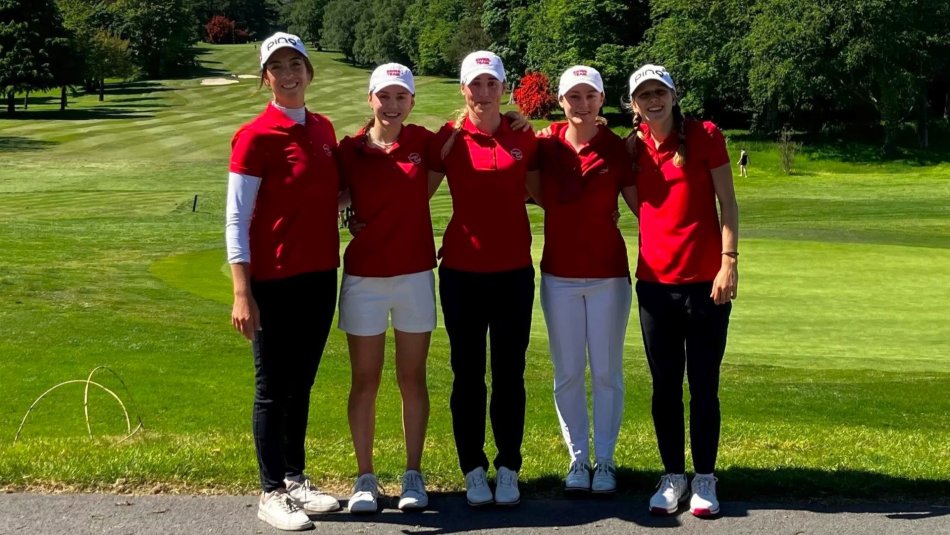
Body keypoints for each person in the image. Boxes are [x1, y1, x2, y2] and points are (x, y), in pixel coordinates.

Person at [225, 32, 342, 531]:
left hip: (320, 275)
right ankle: (270, 491)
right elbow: (236, 219)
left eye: (297, 63)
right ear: (265, 78)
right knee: (272, 388)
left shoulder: (323, 129)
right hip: (272, 281)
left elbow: (326, 198)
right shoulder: (254, 136)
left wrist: (350, 214)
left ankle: (294, 479)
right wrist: (241, 291)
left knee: (302, 383)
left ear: (309, 72)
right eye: (278, 67)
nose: (289, 73)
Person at [625, 64, 739, 518]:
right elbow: (641, 207)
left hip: (707, 284)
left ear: (673, 95)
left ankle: (705, 478)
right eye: (644, 95)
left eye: (660, 92)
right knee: (665, 387)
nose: (653, 100)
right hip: (655, 286)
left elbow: (727, 203)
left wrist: (728, 262)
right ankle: (673, 475)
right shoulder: (632, 148)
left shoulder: (706, 134)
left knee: (704, 386)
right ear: (633, 104)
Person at [428, 50, 539, 508]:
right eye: (476, 84)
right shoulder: (449, 140)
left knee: (510, 375)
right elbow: (409, 192)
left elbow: (545, 189)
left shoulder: (523, 136)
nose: (484, 92)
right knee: (468, 375)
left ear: (503, 88)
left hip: (514, 272)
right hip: (461, 274)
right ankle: (473, 468)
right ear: (463, 90)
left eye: (492, 83)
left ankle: (508, 466)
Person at [528, 66, 636, 495]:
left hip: (609, 274)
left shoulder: (616, 148)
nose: (582, 104)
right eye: (574, 96)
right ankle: (578, 460)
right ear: (561, 101)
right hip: (559, 276)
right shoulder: (545, 144)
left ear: (602, 100)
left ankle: (605, 461)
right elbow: (531, 184)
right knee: (569, 372)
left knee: (607, 371)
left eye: (590, 96)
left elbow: (643, 206)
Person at [335, 63, 437, 514]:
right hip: (364, 279)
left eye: (401, 97)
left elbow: (474, 131)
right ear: (370, 99)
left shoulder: (424, 142)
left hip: (415, 273)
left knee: (411, 378)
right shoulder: (349, 149)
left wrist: (515, 119)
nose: (392, 105)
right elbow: (333, 194)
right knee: (365, 379)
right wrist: (345, 214)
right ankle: (365, 477)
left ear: (411, 101)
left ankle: (413, 473)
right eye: (384, 96)